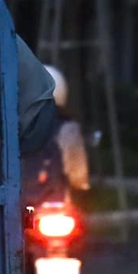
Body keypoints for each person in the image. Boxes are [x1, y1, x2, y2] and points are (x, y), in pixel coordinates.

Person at [24, 64, 90, 203]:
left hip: (18, 205)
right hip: (54, 205)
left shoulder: (12, 126)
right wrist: (81, 185)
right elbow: (78, 174)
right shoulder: (67, 127)